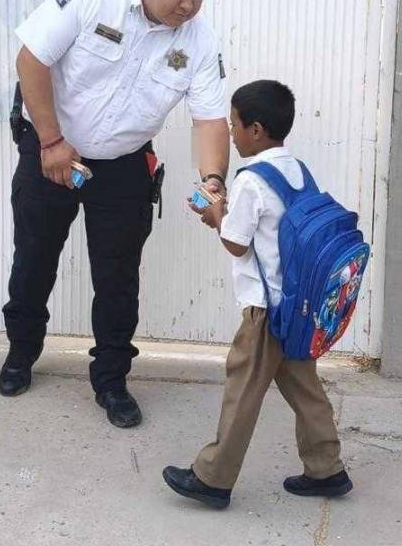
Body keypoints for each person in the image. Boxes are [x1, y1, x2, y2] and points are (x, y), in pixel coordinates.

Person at [2, 0, 229, 428]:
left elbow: (210, 118)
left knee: (118, 276)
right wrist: (51, 142)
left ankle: (111, 380)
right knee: (35, 259)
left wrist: (213, 181)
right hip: (50, 149)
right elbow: (31, 59)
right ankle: (21, 352)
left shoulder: (199, 39)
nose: (189, 7)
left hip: (124, 164)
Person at [163, 80, 351, 508]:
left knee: (242, 389)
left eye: (234, 125)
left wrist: (212, 210)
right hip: (298, 305)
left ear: (256, 130)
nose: (230, 132)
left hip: (264, 312)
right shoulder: (297, 170)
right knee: (306, 388)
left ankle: (212, 478)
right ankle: (327, 469)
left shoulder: (251, 180)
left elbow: (236, 242)